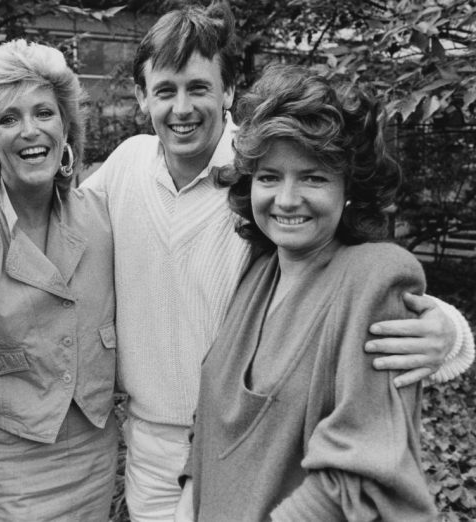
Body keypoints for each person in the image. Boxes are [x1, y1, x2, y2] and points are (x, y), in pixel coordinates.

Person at [83, 2, 474, 520]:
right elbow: (58, 229)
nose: (181, 108)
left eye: (199, 87)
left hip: (264, 456)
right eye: (165, 91)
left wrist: (449, 332)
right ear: (141, 97)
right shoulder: (128, 165)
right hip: (159, 449)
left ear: (227, 91)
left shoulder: (259, 158)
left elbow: (357, 275)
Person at [175, 64, 438, 521]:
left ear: (348, 187)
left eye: (313, 177)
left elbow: (362, 473)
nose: (287, 199)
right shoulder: (257, 269)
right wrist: (186, 506)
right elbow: (211, 424)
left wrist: (452, 336)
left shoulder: (374, 280)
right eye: (269, 176)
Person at [0, 39, 118, 520]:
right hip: (9, 462)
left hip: (93, 446)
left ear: (66, 128)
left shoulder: (102, 218)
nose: (30, 130)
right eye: (8, 118)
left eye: (44, 112)